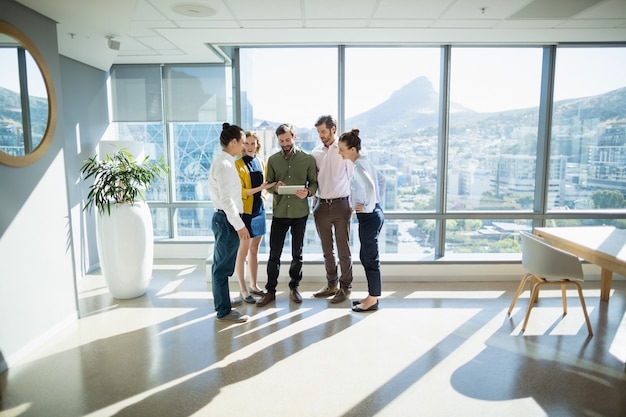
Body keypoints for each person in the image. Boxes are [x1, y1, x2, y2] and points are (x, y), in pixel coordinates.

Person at [256, 123, 318, 307]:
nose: (285, 143)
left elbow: (314, 184)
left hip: (300, 213)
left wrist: (307, 192)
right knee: (274, 254)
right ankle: (270, 291)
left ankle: (294, 287)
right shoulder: (273, 160)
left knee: (297, 253)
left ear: (294, 137)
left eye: (287, 139)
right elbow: (269, 184)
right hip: (280, 212)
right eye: (281, 141)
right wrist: (277, 187)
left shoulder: (307, 160)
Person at [337, 128, 385, 312]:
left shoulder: (358, 166)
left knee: (370, 258)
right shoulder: (365, 162)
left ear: (352, 149)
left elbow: (371, 187)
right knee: (366, 256)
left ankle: (373, 300)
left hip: (369, 216)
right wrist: (377, 204)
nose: (340, 153)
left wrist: (367, 206)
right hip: (374, 214)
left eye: (342, 149)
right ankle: (371, 295)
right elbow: (382, 180)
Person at [207, 123, 251, 323]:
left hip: (224, 219)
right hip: (226, 220)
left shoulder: (224, 162)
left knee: (221, 265)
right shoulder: (224, 165)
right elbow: (227, 200)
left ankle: (223, 302)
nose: (243, 146)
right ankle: (223, 311)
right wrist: (239, 225)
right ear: (233, 142)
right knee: (222, 268)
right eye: (241, 143)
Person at [311, 115, 354, 303]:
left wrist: (351, 203)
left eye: (323, 131)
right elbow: (314, 180)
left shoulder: (343, 150)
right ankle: (331, 284)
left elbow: (351, 177)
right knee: (327, 250)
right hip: (321, 205)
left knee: (343, 250)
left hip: (341, 205)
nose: (321, 135)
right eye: (319, 132)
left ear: (333, 129)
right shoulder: (315, 153)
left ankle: (346, 288)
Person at [234, 131, 275, 303]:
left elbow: (266, 186)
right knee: (242, 252)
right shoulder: (238, 165)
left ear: (257, 144)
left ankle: (254, 285)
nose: (250, 147)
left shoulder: (261, 162)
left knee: (254, 250)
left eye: (253, 143)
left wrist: (265, 193)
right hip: (246, 212)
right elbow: (241, 192)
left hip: (259, 210)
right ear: (242, 145)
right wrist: (261, 189)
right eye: (247, 143)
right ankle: (243, 290)